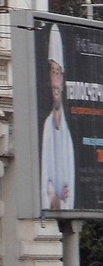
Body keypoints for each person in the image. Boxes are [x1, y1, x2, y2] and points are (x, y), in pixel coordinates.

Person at [41, 24, 75, 210]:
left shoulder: (67, 137)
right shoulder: (46, 128)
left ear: (62, 80)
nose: (55, 82)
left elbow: (68, 197)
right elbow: (47, 195)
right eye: (52, 72)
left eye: (58, 73)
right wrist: (55, 198)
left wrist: (57, 198)